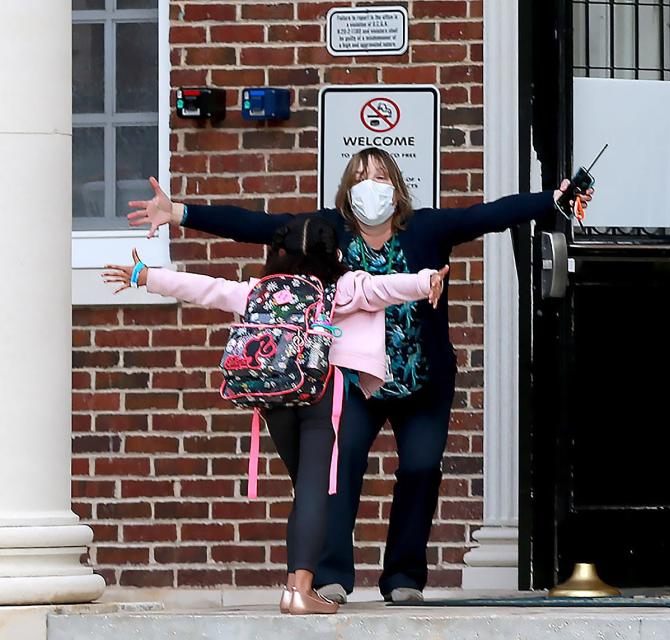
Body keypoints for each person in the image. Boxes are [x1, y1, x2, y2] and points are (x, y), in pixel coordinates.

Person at [127, 147, 593, 603]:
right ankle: (330, 576)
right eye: (362, 176)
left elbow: (488, 214)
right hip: (352, 382)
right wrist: (180, 213)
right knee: (339, 469)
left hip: (422, 380)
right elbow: (258, 225)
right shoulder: (330, 230)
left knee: (420, 469)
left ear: (397, 187)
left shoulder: (427, 229)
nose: (372, 185)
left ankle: (403, 577)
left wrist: (552, 198)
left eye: (382, 176)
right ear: (348, 189)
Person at [104, 215, 448, 613]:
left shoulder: (259, 291)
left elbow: (208, 289)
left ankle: (292, 588)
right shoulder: (341, 286)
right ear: (333, 252)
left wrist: (147, 276)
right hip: (318, 395)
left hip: (271, 398)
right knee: (314, 494)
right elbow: (384, 287)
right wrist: (425, 281)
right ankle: (301, 591)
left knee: (305, 492)